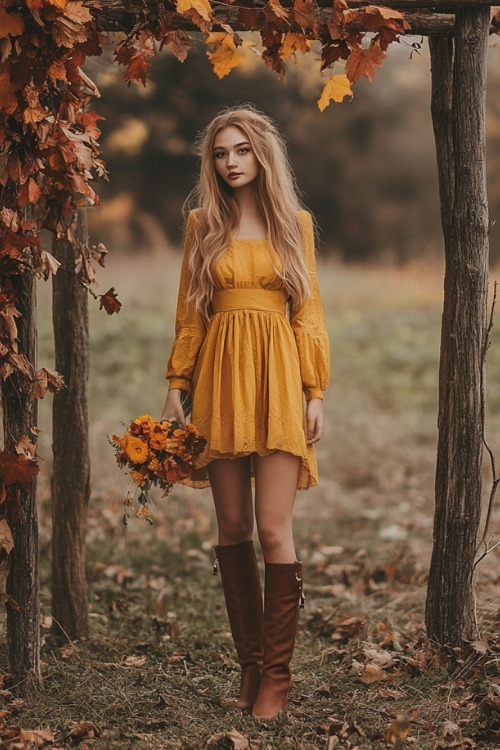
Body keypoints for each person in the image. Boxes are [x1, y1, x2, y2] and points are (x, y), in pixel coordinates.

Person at [160, 105, 330, 721]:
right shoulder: (202, 224)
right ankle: (252, 664)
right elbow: (190, 312)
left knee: (273, 527)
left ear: (263, 156)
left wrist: (315, 392)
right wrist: (177, 383)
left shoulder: (296, 224)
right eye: (221, 154)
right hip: (219, 381)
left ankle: (278, 679)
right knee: (231, 525)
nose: (231, 163)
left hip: (281, 379)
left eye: (241, 151)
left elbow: (308, 314)